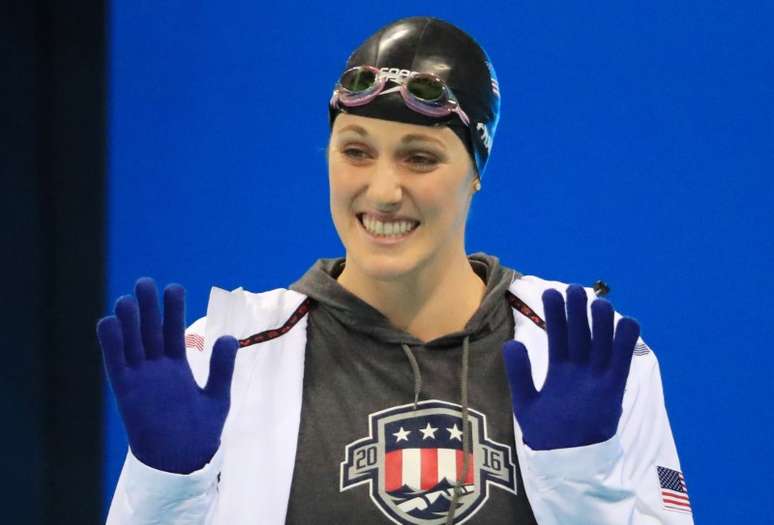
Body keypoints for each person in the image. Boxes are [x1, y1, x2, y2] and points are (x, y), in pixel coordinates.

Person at [98, 16, 693, 525]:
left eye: (420, 157)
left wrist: (581, 477)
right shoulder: (223, 361)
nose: (383, 191)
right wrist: (166, 485)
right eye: (356, 151)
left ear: (477, 170)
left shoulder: (585, 354)